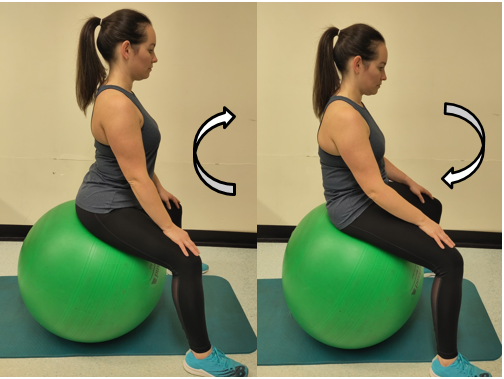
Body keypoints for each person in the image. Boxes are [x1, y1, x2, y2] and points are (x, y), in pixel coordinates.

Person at [74, 9, 247, 377]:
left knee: (173, 205)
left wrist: (161, 189)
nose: (155, 57)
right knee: (185, 258)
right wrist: (170, 230)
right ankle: (200, 356)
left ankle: (181, 270)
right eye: (150, 49)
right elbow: (135, 178)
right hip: (104, 207)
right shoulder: (117, 103)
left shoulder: (122, 93)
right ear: (126, 49)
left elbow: (138, 163)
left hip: (123, 194)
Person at [313, 24, 491, 378]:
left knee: (430, 203)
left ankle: (417, 261)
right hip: (353, 210)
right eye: (381, 67)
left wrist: (408, 181)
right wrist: (424, 225)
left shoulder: (353, 103)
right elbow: (374, 190)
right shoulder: (345, 115)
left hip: (366, 194)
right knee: (451, 261)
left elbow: (373, 158)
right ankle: (447, 363)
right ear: (359, 64)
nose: (385, 76)